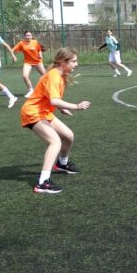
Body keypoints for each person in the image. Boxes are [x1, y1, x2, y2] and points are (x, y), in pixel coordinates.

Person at [20, 47, 91, 194]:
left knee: (68, 136)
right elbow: (54, 100)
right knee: (55, 142)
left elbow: (49, 97)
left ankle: (62, 164)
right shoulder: (54, 76)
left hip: (44, 112)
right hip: (33, 112)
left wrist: (61, 108)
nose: (76, 64)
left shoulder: (60, 75)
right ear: (62, 62)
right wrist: (76, 106)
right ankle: (42, 183)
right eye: (73, 61)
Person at [12, 31, 46, 98]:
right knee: (25, 76)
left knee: (45, 76)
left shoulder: (35, 42)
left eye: (29, 35)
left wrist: (40, 55)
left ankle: (46, 89)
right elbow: (12, 50)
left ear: (31, 36)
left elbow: (39, 50)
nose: (28, 37)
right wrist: (13, 56)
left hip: (37, 61)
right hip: (28, 62)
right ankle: (31, 91)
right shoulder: (21, 43)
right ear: (25, 36)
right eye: (27, 35)